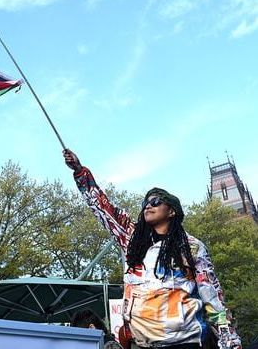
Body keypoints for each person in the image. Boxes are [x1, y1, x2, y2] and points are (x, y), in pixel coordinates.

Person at [63, 149, 241, 349]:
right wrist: (79, 172)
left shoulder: (191, 247)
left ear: (172, 211)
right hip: (140, 344)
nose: (148, 205)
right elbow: (104, 209)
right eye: (145, 203)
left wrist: (230, 341)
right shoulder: (132, 240)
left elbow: (213, 297)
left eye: (156, 202)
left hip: (184, 343)